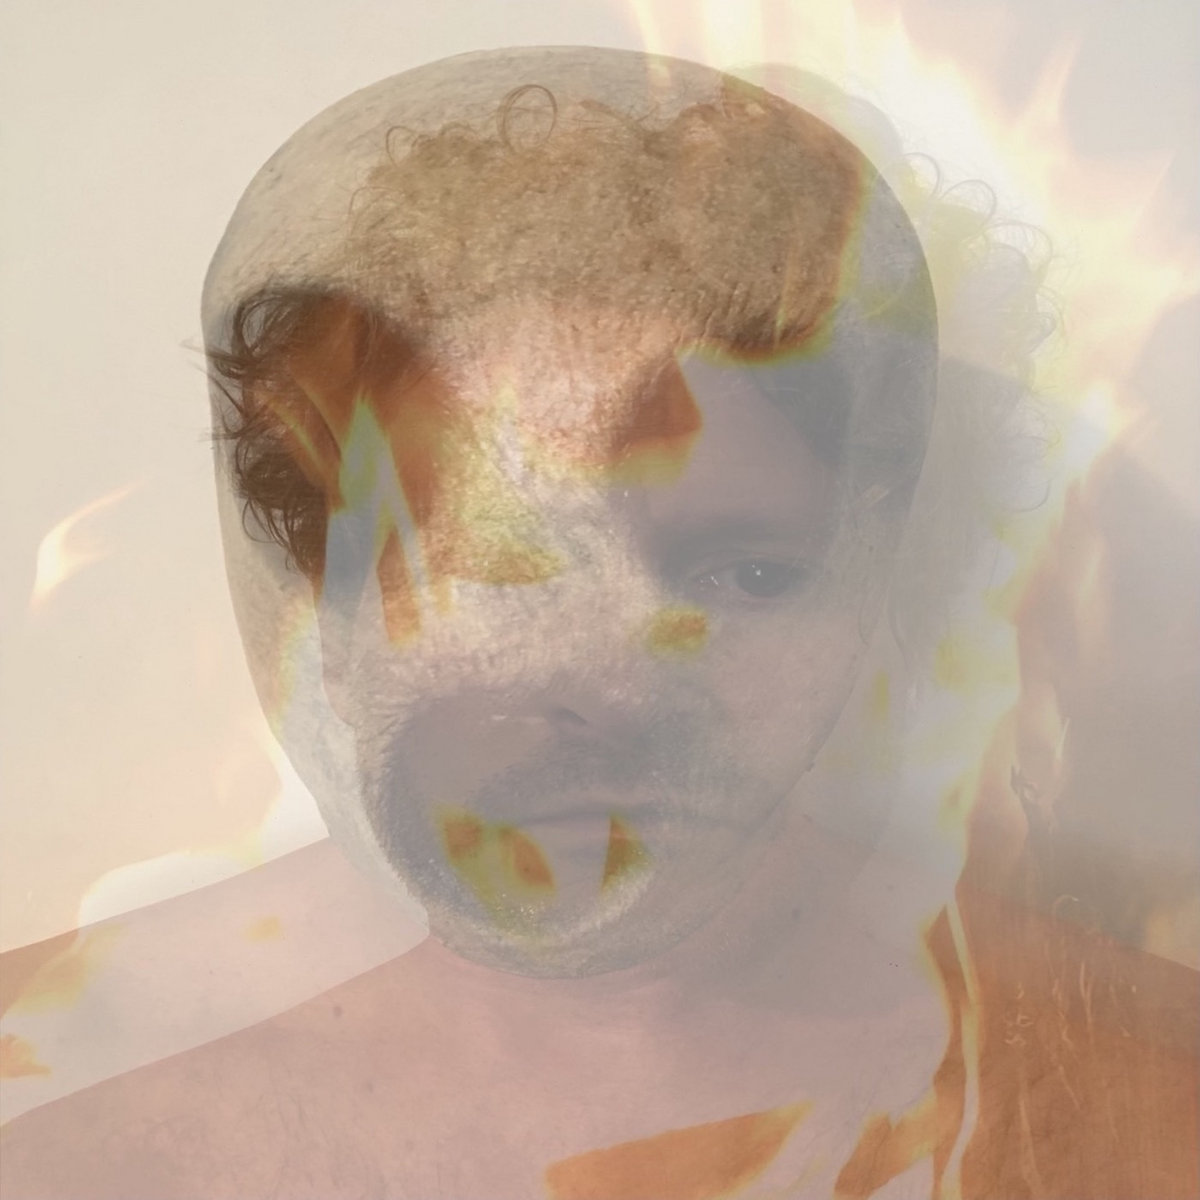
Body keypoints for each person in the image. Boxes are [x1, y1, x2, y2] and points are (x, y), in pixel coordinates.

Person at [2, 46, 1195, 1200]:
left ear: (874, 574)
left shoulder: (1147, 1100)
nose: (609, 681)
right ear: (318, 593)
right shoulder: (46, 1089)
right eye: (489, 564)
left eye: (746, 573)